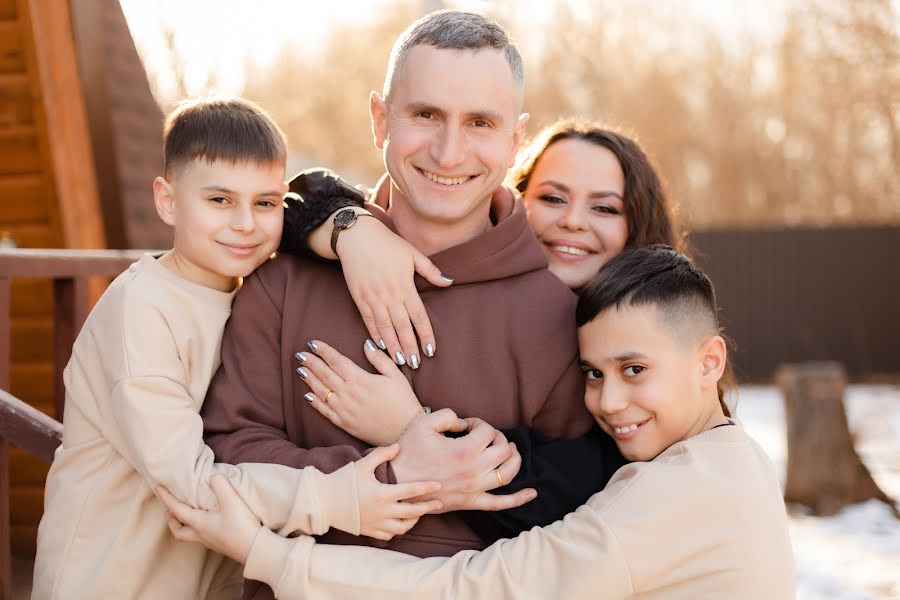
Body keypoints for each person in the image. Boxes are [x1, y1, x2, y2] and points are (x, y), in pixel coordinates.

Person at [199, 11, 596, 599]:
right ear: (380, 120)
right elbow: (225, 457)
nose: (448, 150)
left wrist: (424, 447)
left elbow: (577, 524)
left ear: (516, 141)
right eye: (425, 114)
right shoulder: (282, 281)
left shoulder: (563, 319)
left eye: (480, 123)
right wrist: (396, 476)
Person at [161, 245, 796, 599]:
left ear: (709, 361)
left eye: (634, 370)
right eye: (595, 375)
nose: (607, 403)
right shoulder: (733, 464)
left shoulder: (682, 493)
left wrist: (263, 552)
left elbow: (475, 591)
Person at [31, 97, 443, 600]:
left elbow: (311, 205)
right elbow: (194, 489)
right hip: (108, 582)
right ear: (166, 200)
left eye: (265, 203)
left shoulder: (247, 291)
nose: (246, 223)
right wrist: (335, 498)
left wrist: (352, 235)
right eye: (219, 200)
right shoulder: (139, 311)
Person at [279, 121, 681, 537]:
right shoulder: (482, 290)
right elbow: (284, 204)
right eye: (553, 198)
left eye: (605, 208)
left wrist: (412, 428)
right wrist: (351, 229)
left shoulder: (656, 344)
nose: (573, 221)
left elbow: (574, 498)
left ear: (635, 226)